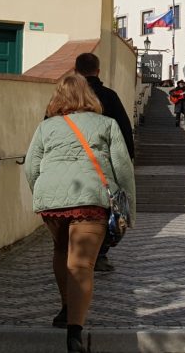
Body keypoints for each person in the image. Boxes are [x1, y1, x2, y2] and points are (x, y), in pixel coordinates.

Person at [24, 75, 136, 352]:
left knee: (62, 252)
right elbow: (123, 168)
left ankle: (65, 308)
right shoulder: (106, 124)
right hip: (91, 198)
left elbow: (31, 167)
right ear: (89, 96)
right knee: (82, 264)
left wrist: (42, 191)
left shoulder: (46, 127)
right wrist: (129, 205)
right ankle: (74, 333)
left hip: (51, 202)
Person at [73, 52, 134, 273]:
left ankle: (69, 255)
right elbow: (125, 131)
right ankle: (99, 254)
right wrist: (127, 161)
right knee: (102, 212)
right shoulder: (109, 96)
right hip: (102, 167)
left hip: (68, 165)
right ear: (97, 71)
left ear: (75, 71)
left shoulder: (65, 98)